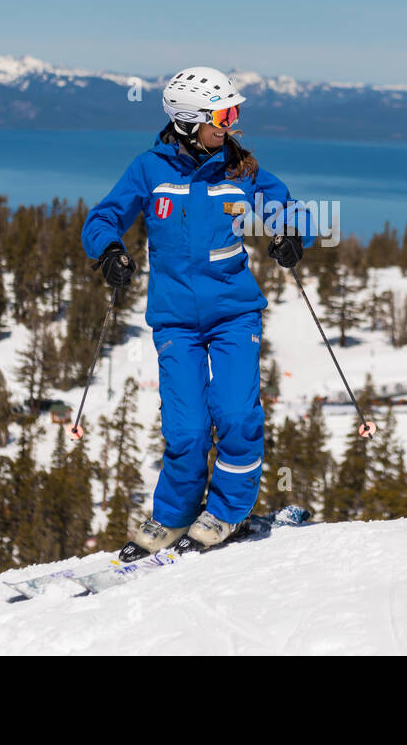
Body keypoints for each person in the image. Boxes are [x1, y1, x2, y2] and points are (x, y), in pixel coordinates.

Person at [82, 67, 314, 555]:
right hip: (175, 323)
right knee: (184, 427)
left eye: (234, 113)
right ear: (188, 121)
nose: (231, 123)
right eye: (222, 115)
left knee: (235, 413)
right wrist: (109, 249)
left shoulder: (241, 171)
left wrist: (291, 233)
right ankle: (174, 516)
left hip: (234, 315)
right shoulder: (150, 170)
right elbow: (105, 215)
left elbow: (286, 206)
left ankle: (228, 510)